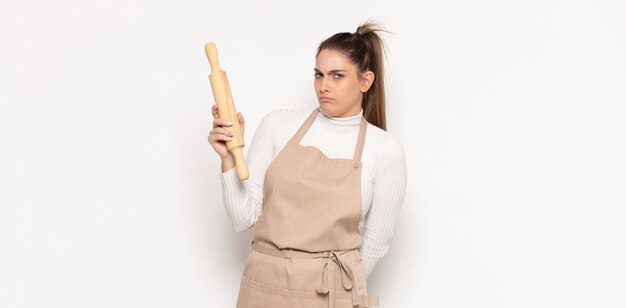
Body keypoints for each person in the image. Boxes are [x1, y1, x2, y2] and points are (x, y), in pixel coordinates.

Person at [208, 21, 407, 308]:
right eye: (318, 75)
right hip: (262, 287)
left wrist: (338, 293)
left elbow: (375, 245)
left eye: (337, 76)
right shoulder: (279, 124)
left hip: (329, 296)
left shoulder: (385, 150)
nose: (323, 86)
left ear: (366, 81)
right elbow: (243, 218)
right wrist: (228, 158)